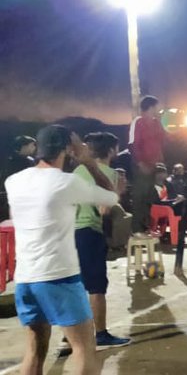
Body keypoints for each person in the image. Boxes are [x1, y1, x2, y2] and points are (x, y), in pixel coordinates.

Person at [5, 125, 119, 375]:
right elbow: (111, 197)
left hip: (25, 279)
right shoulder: (67, 183)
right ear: (69, 149)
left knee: (35, 350)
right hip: (59, 278)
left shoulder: (14, 181)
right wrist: (89, 162)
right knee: (84, 348)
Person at [70, 132, 131, 349]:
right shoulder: (109, 173)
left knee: (75, 284)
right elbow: (104, 208)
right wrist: (119, 192)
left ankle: (69, 336)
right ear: (112, 150)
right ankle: (101, 334)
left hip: (70, 232)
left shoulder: (78, 170)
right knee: (96, 286)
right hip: (89, 231)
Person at [129, 96, 168, 234]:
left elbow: (163, 140)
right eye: (157, 107)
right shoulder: (138, 122)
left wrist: (160, 164)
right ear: (151, 107)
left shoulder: (157, 123)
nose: (159, 110)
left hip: (154, 166)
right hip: (142, 167)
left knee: (151, 198)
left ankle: (147, 228)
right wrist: (140, 163)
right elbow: (133, 144)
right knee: (140, 198)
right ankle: (137, 231)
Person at [2, 135, 37, 220]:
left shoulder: (7, 159)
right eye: (32, 145)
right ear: (24, 146)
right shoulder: (28, 161)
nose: (34, 148)